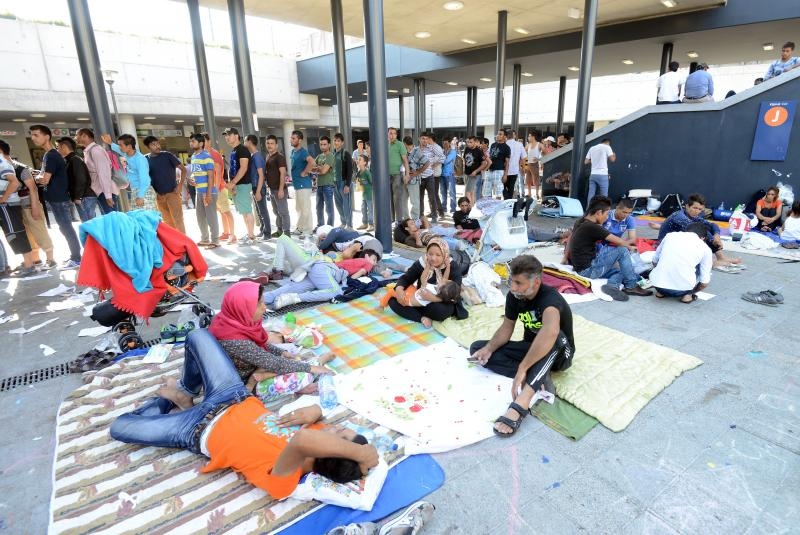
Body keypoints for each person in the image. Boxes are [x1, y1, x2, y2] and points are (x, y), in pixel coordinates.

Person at [110, 329, 378, 499]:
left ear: (331, 452)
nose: (334, 428)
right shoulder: (318, 433)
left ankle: (177, 403)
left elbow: (301, 442)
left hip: (194, 429)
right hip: (232, 395)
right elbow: (316, 427)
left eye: (340, 433)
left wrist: (361, 454)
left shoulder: (286, 479)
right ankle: (186, 391)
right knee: (199, 336)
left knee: (120, 428)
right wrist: (315, 410)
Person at [469, 255, 574, 437]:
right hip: (533, 350)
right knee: (478, 349)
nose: (513, 288)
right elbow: (507, 327)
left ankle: (521, 403)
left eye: (519, 283)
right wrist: (488, 349)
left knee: (554, 336)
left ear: (536, 282)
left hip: (559, 354)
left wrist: (523, 367)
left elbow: (550, 332)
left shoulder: (550, 300)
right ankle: (538, 376)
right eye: (512, 281)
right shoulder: (514, 296)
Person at [208, 281, 332, 397]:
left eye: (263, 302)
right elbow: (273, 363)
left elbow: (259, 345)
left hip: (257, 366)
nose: (264, 307)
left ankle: (311, 368)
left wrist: (281, 352)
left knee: (292, 357)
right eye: (259, 304)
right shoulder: (236, 341)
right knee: (304, 375)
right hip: (245, 382)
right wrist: (311, 368)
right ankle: (313, 369)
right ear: (242, 308)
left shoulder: (229, 321)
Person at [566, 195, 652, 301]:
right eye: (606, 214)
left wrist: (565, 258)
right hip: (588, 270)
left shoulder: (581, 221)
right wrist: (630, 246)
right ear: (598, 213)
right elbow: (619, 242)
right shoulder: (593, 227)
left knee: (622, 271)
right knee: (622, 250)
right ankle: (631, 286)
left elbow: (570, 239)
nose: (607, 217)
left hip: (581, 266)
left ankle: (612, 285)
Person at [29, 125, 82, 270]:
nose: (33, 138)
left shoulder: (51, 155)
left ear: (46, 136)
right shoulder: (49, 155)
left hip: (59, 199)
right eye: (32, 135)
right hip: (57, 198)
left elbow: (45, 179)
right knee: (64, 228)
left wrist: (38, 177)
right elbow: (44, 176)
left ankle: (77, 258)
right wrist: (39, 175)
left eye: (36, 135)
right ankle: (75, 257)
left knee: (66, 228)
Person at [387, 237, 464, 327]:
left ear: (445, 255)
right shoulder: (422, 262)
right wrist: (399, 289)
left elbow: (455, 292)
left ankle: (415, 313)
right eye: (430, 254)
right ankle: (422, 318)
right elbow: (406, 278)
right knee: (392, 301)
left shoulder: (452, 266)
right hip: (419, 299)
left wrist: (434, 298)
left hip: (441, 302)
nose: (433, 258)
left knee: (442, 311)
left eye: (438, 255)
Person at [1, 140, 55, 268]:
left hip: (30, 205)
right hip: (18, 208)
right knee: (28, 235)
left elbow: (33, 189)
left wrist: (35, 207)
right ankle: (36, 260)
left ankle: (51, 259)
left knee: (40, 233)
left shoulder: (20, 168)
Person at [657, 193, 740, 268]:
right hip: (667, 245)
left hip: (678, 241)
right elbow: (700, 231)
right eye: (695, 208)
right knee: (702, 234)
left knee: (708, 229)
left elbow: (712, 225)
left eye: (700, 209)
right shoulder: (680, 216)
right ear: (687, 206)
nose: (697, 211)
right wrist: (713, 240)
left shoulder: (693, 216)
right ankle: (711, 262)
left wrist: (717, 236)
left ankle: (721, 257)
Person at [649, 222, 712, 303]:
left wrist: (662, 275)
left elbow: (654, 260)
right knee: (698, 266)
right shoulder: (705, 248)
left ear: (686, 231)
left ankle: (660, 293)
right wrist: (692, 291)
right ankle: (687, 296)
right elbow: (704, 283)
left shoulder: (670, 236)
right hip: (683, 290)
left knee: (665, 260)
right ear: (703, 238)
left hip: (657, 285)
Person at [263, 258, 351, 310]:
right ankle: (295, 298)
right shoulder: (360, 264)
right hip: (322, 269)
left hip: (315, 272)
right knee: (336, 292)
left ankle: (256, 298)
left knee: (290, 289)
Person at [0, 152, 36, 277]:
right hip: (6, 204)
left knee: (15, 233)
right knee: (12, 233)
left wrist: (3, 198)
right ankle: (27, 262)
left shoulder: (1, 162)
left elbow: (14, 182)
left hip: (7, 204)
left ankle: (29, 265)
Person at [144, 135, 187, 234]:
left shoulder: (167, 155)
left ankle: (184, 244)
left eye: (158, 143)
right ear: (148, 147)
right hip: (158, 196)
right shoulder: (145, 159)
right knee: (167, 222)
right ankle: (174, 245)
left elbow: (183, 170)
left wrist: (180, 185)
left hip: (172, 193)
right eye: (153, 144)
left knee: (178, 220)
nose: (157, 146)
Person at [103, 133, 155, 210]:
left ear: (129, 146)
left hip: (144, 191)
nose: (119, 147)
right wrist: (110, 143)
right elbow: (119, 149)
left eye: (121, 145)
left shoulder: (139, 159)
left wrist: (140, 196)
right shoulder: (127, 154)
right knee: (136, 218)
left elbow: (145, 180)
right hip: (136, 190)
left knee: (146, 219)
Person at [223, 128, 257, 244]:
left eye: (229, 135)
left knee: (247, 211)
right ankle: (249, 234)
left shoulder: (242, 150)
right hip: (237, 185)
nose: (226, 137)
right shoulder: (234, 150)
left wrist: (232, 183)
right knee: (244, 211)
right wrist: (232, 185)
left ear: (236, 136)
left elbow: (243, 167)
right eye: (225, 135)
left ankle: (252, 236)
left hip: (243, 184)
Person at [76, 127, 118, 214]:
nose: (75, 138)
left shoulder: (96, 151)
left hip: (104, 192)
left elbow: (104, 173)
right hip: (100, 191)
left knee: (113, 220)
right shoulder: (89, 151)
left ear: (84, 136)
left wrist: (108, 195)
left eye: (77, 135)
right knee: (110, 220)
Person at [55, 137, 96, 223]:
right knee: (89, 223)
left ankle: (95, 237)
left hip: (84, 197)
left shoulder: (74, 160)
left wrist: (78, 197)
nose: (57, 150)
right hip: (83, 196)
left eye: (57, 147)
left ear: (64, 147)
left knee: (89, 224)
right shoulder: (71, 160)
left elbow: (81, 179)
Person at [188, 133, 219, 249]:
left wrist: (209, 194)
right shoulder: (194, 157)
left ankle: (215, 240)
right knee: (200, 217)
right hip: (198, 191)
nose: (191, 143)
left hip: (207, 191)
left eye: (193, 141)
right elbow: (195, 173)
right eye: (190, 141)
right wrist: (192, 179)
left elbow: (211, 176)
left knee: (211, 217)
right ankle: (205, 239)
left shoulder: (207, 156)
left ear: (201, 143)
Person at [203, 132, 235, 242]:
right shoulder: (205, 154)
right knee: (221, 212)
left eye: (205, 140)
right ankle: (226, 233)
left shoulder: (213, 154)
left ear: (209, 141)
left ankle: (232, 234)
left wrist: (215, 189)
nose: (203, 143)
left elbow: (217, 171)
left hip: (219, 188)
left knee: (226, 211)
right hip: (213, 188)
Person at [244, 134, 271, 240]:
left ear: (250, 142)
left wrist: (258, 191)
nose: (244, 143)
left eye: (245, 141)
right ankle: (263, 230)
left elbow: (261, 175)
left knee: (263, 211)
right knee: (259, 211)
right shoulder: (253, 156)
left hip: (259, 187)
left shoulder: (257, 156)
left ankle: (267, 233)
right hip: (255, 187)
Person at [290, 130, 316, 235]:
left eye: (293, 138)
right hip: (297, 185)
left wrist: (305, 172)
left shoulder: (303, 152)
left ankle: (306, 230)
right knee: (299, 208)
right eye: (291, 138)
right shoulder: (293, 152)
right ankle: (302, 229)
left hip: (303, 184)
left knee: (305, 209)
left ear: (299, 140)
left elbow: (312, 162)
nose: (291, 140)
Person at [265, 135, 290, 237]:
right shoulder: (268, 157)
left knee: (283, 212)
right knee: (276, 211)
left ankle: (287, 233)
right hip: (272, 189)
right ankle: (279, 231)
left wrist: (280, 190)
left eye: (272, 143)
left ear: (276, 145)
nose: (270, 145)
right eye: (268, 143)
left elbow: (283, 173)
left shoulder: (279, 157)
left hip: (279, 189)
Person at [418, 133, 444, 223]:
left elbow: (442, 156)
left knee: (432, 197)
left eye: (426, 139)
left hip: (430, 177)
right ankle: (420, 216)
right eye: (423, 138)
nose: (424, 140)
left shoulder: (432, 148)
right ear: (419, 139)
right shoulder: (416, 149)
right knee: (420, 198)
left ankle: (434, 216)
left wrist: (434, 163)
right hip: (419, 178)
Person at [387, 127, 410, 222]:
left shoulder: (400, 144)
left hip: (397, 175)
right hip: (386, 176)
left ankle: (399, 221)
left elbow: (405, 161)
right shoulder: (385, 145)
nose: (392, 135)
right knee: (389, 199)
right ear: (387, 134)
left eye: (394, 133)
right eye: (390, 133)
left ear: (396, 135)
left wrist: (407, 174)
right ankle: (392, 221)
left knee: (397, 199)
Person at [404, 136, 429, 220]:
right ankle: (406, 219)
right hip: (404, 179)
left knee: (414, 201)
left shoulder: (417, 151)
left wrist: (418, 172)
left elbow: (427, 163)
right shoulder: (404, 151)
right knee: (403, 201)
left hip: (414, 180)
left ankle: (415, 220)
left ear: (405, 144)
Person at [314, 136, 336, 228]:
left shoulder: (331, 156)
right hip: (319, 185)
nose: (322, 146)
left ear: (329, 145)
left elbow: (323, 171)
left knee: (329, 209)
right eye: (321, 144)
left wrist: (318, 168)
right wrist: (319, 168)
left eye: (325, 144)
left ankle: (329, 227)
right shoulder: (319, 156)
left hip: (328, 186)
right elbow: (311, 168)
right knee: (319, 208)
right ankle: (320, 226)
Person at [332, 133, 354, 229]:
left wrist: (347, 185)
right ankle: (343, 222)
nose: (336, 142)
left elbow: (350, 170)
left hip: (344, 182)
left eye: (338, 141)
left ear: (342, 142)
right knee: (338, 205)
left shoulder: (345, 153)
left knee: (346, 205)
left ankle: (349, 225)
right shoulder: (332, 153)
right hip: (334, 183)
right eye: (335, 140)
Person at [584, 139, 616, 204]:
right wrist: (614, 155)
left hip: (593, 175)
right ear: (608, 143)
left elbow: (586, 162)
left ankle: (588, 211)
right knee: (604, 196)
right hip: (603, 175)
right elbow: (612, 160)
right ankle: (602, 212)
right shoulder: (607, 147)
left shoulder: (592, 148)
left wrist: (593, 160)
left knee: (591, 194)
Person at [485, 129, 510, 199]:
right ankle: (488, 206)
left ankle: (497, 207)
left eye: (500, 134)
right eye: (498, 134)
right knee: (486, 191)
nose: (498, 135)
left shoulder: (506, 147)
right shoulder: (493, 145)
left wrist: (505, 175)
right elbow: (490, 157)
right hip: (490, 170)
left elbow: (507, 162)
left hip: (499, 170)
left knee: (498, 192)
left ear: (504, 136)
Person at [462, 136, 487, 205]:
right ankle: (472, 207)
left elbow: (484, 163)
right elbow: (464, 159)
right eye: (468, 142)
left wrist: (476, 171)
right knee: (472, 192)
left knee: (467, 192)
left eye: (471, 142)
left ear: (475, 142)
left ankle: (468, 208)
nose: (469, 144)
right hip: (467, 173)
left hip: (474, 175)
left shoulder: (479, 151)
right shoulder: (467, 149)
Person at [505, 130, 526, 200]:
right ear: (514, 135)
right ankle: (509, 202)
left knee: (504, 187)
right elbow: (523, 158)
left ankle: (506, 200)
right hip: (514, 170)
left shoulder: (504, 144)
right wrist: (523, 168)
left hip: (504, 170)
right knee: (511, 187)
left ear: (506, 136)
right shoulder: (519, 144)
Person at [355, 154, 374, 231]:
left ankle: (371, 224)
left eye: (360, 160)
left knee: (370, 209)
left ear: (365, 163)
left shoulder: (367, 172)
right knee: (363, 209)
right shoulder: (359, 172)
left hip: (369, 194)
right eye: (358, 159)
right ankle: (364, 223)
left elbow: (372, 182)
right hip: (364, 194)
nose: (358, 161)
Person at [440, 140, 458, 214]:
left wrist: (440, 159)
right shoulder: (442, 151)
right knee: (442, 193)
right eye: (444, 143)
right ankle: (443, 209)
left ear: (450, 144)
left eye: (446, 143)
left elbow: (445, 161)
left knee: (452, 193)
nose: (445, 145)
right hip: (441, 175)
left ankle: (453, 209)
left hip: (450, 174)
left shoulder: (453, 152)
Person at [525, 132, 542, 199]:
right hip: (528, 164)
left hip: (534, 164)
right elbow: (523, 152)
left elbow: (546, 153)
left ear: (533, 137)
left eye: (529, 136)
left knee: (536, 180)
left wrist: (539, 159)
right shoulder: (528, 145)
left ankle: (537, 193)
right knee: (528, 180)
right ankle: (529, 193)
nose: (528, 137)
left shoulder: (539, 144)